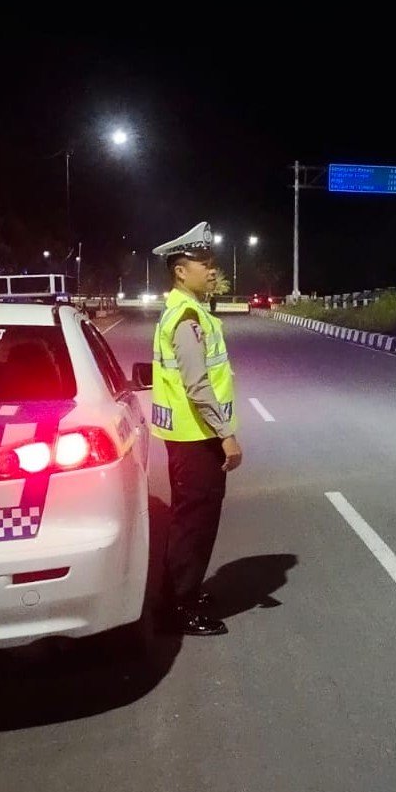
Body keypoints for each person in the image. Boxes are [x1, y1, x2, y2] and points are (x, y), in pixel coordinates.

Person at [149, 222, 243, 636]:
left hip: (189, 437)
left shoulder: (189, 311)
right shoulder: (187, 318)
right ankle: (179, 607)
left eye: (210, 261)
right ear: (180, 271)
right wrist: (226, 434)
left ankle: (183, 591)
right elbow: (197, 384)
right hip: (197, 438)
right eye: (201, 263)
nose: (210, 269)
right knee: (195, 523)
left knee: (192, 520)